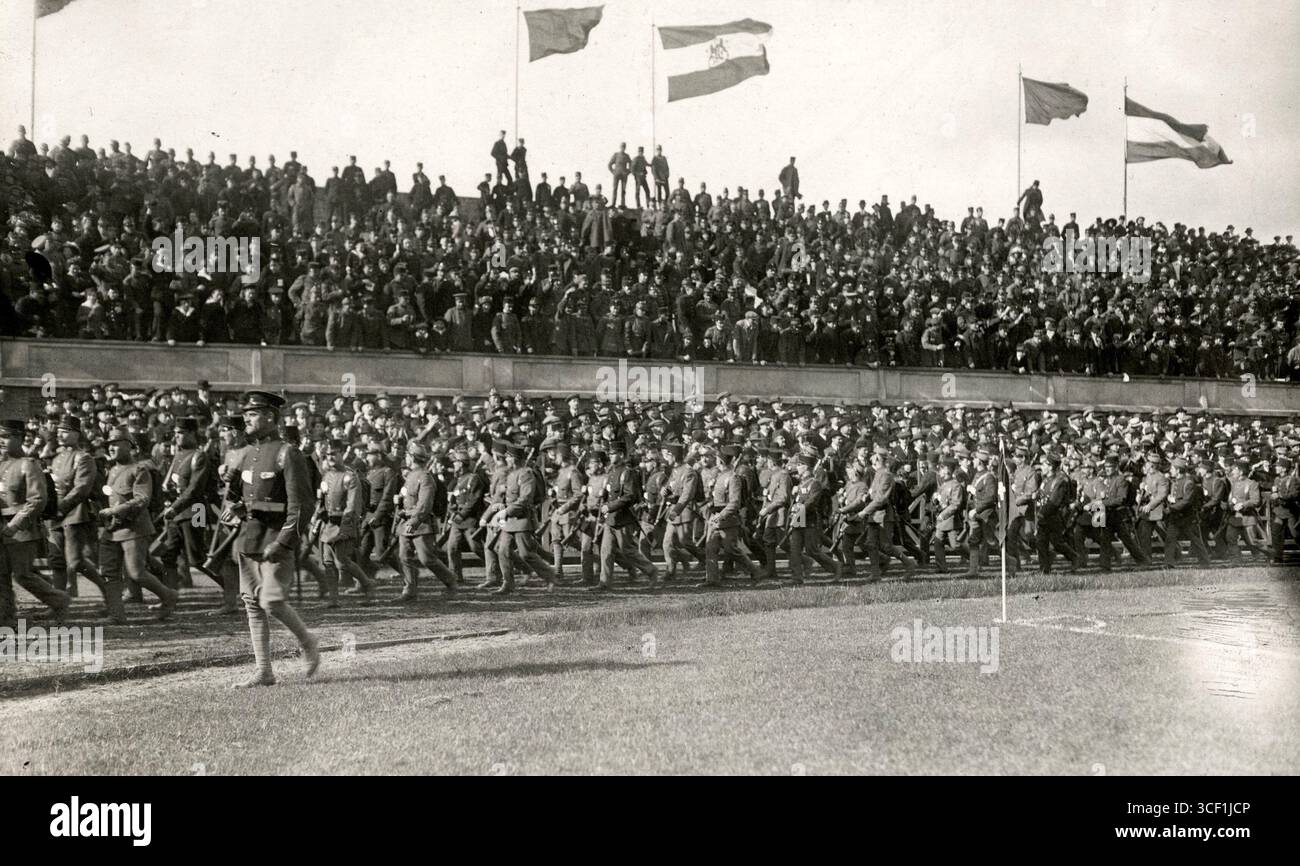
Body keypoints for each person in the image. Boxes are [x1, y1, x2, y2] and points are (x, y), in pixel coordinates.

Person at [226, 390, 321, 688]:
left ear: (270, 417)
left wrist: (284, 542)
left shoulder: (287, 452)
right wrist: (235, 508)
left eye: (253, 414)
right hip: (249, 538)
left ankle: (308, 643)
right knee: (252, 604)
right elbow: (237, 496)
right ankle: (264, 672)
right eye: (246, 414)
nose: (247, 419)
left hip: (275, 539)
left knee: (272, 601)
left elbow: (301, 505)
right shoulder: (245, 454)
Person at [99, 428, 180, 621]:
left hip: (134, 528)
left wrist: (115, 511)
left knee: (136, 572)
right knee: (109, 572)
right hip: (112, 529)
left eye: (116, 443)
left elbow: (142, 499)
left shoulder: (140, 469)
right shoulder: (112, 470)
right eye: (109, 445)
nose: (111, 448)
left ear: (129, 446)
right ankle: (116, 614)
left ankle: (168, 596)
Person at [0, 419, 69, 628]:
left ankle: (59, 601)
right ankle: (6, 617)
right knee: (1, 575)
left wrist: (15, 525)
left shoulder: (28, 465)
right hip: (1, 528)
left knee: (23, 574)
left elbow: (38, 500)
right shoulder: (2, 464)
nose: (1, 441)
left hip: (22, 530)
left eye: (6, 436)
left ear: (20, 438)